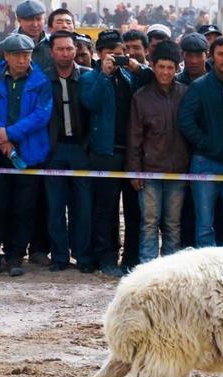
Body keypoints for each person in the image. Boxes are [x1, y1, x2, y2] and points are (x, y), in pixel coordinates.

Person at [0, 33, 52, 279]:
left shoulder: (41, 81)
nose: (22, 60)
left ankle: (15, 256)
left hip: (29, 153)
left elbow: (41, 115)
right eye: (16, 55)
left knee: (23, 208)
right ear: (5, 56)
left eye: (26, 55)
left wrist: (10, 133)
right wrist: (0, 134)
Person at [80, 29, 147, 276]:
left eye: (119, 54)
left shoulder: (130, 76)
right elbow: (90, 103)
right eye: (110, 54)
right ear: (98, 54)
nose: (115, 59)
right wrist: (105, 75)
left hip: (131, 154)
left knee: (133, 211)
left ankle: (130, 259)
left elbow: (151, 79)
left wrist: (135, 66)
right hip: (103, 153)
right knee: (104, 210)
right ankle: (105, 258)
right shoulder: (90, 77)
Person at [177, 36, 223, 247]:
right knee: (205, 224)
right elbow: (185, 120)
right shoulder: (199, 86)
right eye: (221, 54)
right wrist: (206, 143)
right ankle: (207, 273)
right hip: (205, 163)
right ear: (212, 57)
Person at [127, 40, 189, 263]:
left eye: (170, 68)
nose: (165, 72)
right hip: (150, 172)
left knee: (173, 225)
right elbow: (134, 137)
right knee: (149, 223)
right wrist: (134, 170)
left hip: (178, 172)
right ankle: (147, 270)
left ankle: (169, 272)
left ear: (177, 68)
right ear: (153, 66)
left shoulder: (186, 94)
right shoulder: (141, 97)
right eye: (161, 67)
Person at [44, 30, 93, 272]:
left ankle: (83, 257)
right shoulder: (43, 79)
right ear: (51, 52)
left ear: (76, 50)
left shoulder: (88, 77)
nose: (65, 53)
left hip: (81, 150)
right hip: (54, 151)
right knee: (55, 207)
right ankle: (60, 257)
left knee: (82, 207)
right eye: (60, 49)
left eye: (69, 48)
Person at [0, 0, 51, 75]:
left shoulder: (52, 46)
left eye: (39, 19)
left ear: (45, 19)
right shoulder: (3, 48)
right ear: (19, 20)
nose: (35, 24)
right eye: (29, 19)